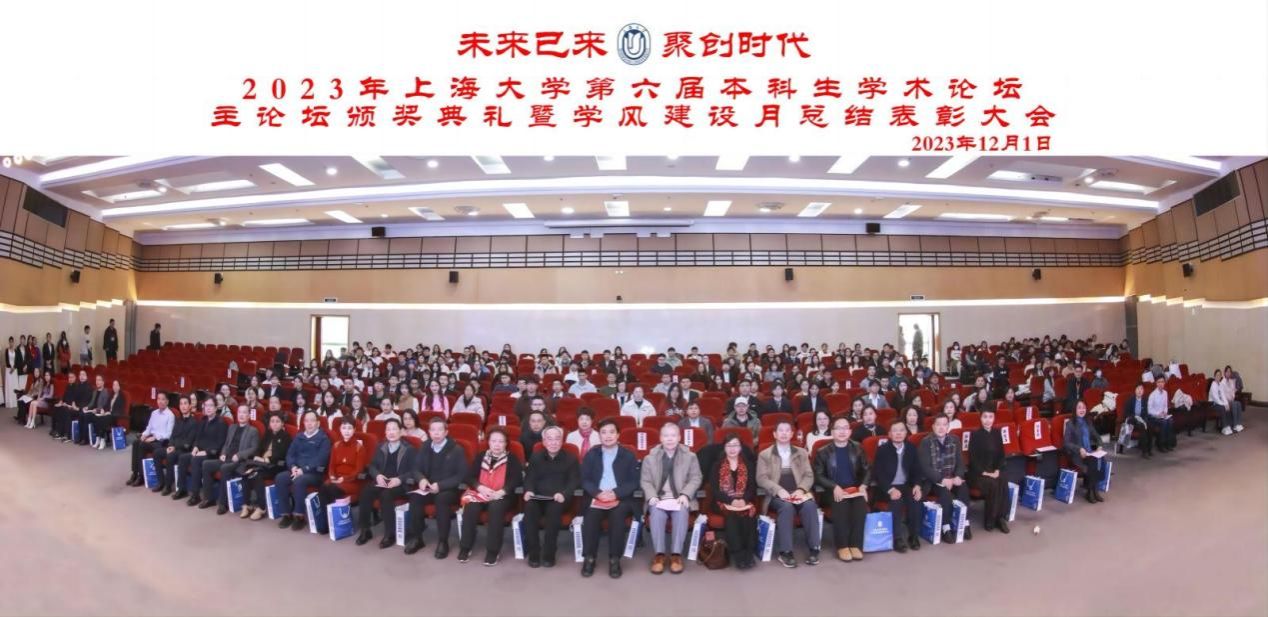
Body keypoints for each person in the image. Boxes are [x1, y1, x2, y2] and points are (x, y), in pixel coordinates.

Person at [579, 418, 639, 579]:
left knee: (617, 516)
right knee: (591, 516)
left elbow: (634, 481)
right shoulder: (592, 454)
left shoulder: (628, 455)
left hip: (620, 498)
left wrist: (616, 493)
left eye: (612, 432)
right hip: (597, 497)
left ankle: (614, 559)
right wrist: (597, 493)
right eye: (603, 432)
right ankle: (589, 557)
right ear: (599, 436)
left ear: (618, 435)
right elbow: (585, 479)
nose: (608, 436)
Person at [639, 423, 703, 575]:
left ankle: (676, 555)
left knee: (681, 514)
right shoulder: (650, 458)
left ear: (679, 438)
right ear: (660, 438)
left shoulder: (690, 457)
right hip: (659, 498)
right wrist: (651, 496)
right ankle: (659, 555)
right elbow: (645, 481)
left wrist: (685, 494)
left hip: (680, 498)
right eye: (666, 436)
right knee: (656, 515)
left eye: (673, 435)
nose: (669, 439)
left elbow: (696, 478)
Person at [756, 420, 822, 567]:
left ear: (792, 434)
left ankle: (814, 548)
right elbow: (761, 478)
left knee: (810, 506)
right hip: (776, 495)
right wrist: (779, 490)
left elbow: (809, 475)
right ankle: (785, 552)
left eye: (787, 430)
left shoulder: (801, 453)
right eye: (781, 430)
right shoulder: (765, 454)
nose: (784, 433)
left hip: (799, 493)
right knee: (787, 507)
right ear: (775, 434)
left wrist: (801, 490)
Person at [404, 417, 469, 559]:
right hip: (429, 487)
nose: (436, 433)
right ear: (429, 432)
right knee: (415, 497)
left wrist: (440, 486)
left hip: (449, 489)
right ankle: (417, 538)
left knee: (441, 499)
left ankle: (443, 541)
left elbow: (462, 475)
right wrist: (421, 479)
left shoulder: (456, 449)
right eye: (433, 430)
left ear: (446, 432)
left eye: (440, 430)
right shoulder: (425, 446)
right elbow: (416, 468)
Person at [457, 427, 522, 566]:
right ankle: (465, 547)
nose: (497, 444)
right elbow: (469, 476)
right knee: (471, 508)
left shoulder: (512, 459)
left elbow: (516, 479)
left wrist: (501, 492)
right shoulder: (481, 456)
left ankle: (493, 551)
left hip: (503, 495)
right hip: (482, 492)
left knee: (495, 508)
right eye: (494, 441)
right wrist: (480, 487)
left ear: (506, 443)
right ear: (489, 442)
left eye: (501, 441)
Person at [812, 415, 870, 562]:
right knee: (841, 504)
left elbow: (867, 469)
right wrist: (834, 486)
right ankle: (842, 546)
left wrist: (863, 486)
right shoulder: (823, 451)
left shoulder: (857, 448)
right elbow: (818, 475)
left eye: (845, 428)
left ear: (850, 431)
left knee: (860, 506)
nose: (842, 431)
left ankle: (855, 545)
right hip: (832, 490)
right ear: (832, 432)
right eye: (838, 428)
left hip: (854, 489)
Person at [355, 418, 420, 548]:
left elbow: (415, 471)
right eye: (388, 430)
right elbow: (372, 466)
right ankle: (365, 530)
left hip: (401, 484)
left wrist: (399, 479)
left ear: (401, 431)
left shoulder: (409, 449)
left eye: (394, 429)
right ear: (385, 432)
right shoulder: (381, 446)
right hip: (383, 481)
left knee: (386, 495)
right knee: (366, 492)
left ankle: (390, 534)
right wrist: (378, 475)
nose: (391, 432)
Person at [522, 425, 580, 568]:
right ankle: (534, 552)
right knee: (529, 508)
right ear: (544, 441)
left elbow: (574, 481)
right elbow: (529, 478)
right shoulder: (536, 457)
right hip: (538, 497)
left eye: (557, 439)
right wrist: (529, 491)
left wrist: (564, 494)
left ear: (562, 441)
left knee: (554, 510)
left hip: (558, 498)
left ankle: (549, 553)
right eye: (549, 439)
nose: (553, 442)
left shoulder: (571, 458)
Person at [918, 415, 973, 544]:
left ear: (948, 426)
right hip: (934, 480)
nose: (941, 427)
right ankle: (945, 527)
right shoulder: (926, 442)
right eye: (938, 424)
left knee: (963, 488)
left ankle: (964, 522)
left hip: (952, 476)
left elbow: (960, 462)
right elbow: (925, 467)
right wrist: (942, 480)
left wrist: (958, 476)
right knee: (945, 494)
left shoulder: (954, 440)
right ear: (933, 427)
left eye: (944, 424)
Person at [274, 411, 333, 530]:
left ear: (318, 423)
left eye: (312, 420)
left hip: (314, 473)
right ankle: (286, 514)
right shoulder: (299, 436)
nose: (309, 423)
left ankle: (299, 516)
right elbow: (290, 455)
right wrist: (293, 467)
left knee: (299, 481)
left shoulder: (323, 439)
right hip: (296, 470)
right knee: (280, 478)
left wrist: (303, 470)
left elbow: (321, 460)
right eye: (306, 421)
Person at [709, 434, 759, 569]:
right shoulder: (717, 465)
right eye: (729, 445)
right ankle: (738, 554)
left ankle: (749, 553)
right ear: (724, 448)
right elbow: (714, 490)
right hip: (721, 501)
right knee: (732, 516)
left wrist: (743, 500)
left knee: (749, 514)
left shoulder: (748, 465)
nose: (732, 449)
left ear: (741, 447)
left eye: (735, 445)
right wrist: (731, 501)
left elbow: (752, 487)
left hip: (744, 501)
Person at [873, 420, 923, 553]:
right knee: (896, 502)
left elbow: (917, 470)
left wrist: (917, 485)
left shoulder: (911, 448)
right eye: (895, 431)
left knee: (915, 500)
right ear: (889, 434)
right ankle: (897, 538)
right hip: (887, 487)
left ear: (906, 433)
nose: (898, 433)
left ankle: (913, 536)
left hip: (905, 485)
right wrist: (890, 490)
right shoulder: (883, 450)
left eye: (901, 430)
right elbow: (878, 474)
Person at [201, 405, 260, 514]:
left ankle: (223, 503)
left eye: (244, 412)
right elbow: (226, 444)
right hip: (227, 458)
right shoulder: (232, 427)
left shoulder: (253, 431)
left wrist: (239, 455)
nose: (241, 415)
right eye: (239, 412)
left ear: (248, 415)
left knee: (225, 468)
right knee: (206, 464)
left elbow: (254, 449)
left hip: (239, 461)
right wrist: (223, 453)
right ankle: (208, 498)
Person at [237, 412, 292, 520]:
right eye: (272, 421)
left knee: (257, 475)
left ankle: (261, 508)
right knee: (246, 473)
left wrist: (266, 459)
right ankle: (247, 505)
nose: (274, 424)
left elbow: (281, 455)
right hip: (262, 463)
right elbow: (260, 448)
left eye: (277, 421)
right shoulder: (268, 434)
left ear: (282, 423)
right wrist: (257, 457)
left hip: (275, 465)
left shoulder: (286, 437)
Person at [171, 397, 224, 501]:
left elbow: (219, 445)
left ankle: (195, 495)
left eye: (211, 406)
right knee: (183, 458)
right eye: (206, 405)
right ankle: (181, 489)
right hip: (200, 451)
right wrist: (195, 447)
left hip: (212, 454)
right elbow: (197, 438)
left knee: (195, 460)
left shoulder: (221, 423)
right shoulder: (203, 421)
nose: (208, 408)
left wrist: (205, 452)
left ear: (216, 408)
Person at [968, 409, 1010, 533]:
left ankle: (1000, 518)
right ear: (980, 418)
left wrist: (997, 470)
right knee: (993, 484)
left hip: (993, 470)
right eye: (985, 417)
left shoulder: (997, 433)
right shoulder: (975, 435)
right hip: (978, 474)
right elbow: (973, 460)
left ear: (994, 418)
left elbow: (1001, 455)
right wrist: (986, 473)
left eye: (990, 417)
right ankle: (990, 520)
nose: (988, 420)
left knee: (1003, 479)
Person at [316, 418, 370, 509]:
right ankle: (325, 517)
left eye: (349, 428)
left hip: (352, 481)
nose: (346, 431)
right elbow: (331, 466)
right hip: (336, 478)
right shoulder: (336, 445)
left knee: (332, 489)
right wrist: (332, 476)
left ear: (354, 430)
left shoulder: (359, 448)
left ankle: (336, 516)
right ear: (340, 429)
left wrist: (343, 479)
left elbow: (359, 470)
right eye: (344, 428)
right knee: (323, 487)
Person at [125, 393, 175, 487]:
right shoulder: (154, 413)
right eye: (158, 399)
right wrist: (144, 435)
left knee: (142, 445)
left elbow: (168, 435)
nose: (160, 401)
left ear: (167, 401)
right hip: (151, 439)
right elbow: (149, 428)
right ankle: (135, 473)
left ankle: (141, 476)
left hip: (162, 442)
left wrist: (155, 437)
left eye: (163, 399)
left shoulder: (170, 415)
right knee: (136, 443)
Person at [1062, 401, 1105, 504]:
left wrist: (1099, 445)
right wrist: (1079, 449)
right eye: (1079, 408)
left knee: (1099, 460)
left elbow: (1097, 436)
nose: (1082, 410)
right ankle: (1091, 492)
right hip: (1077, 454)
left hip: (1089, 453)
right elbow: (1066, 443)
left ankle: (1093, 490)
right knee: (1092, 463)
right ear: (1075, 410)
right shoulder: (1070, 424)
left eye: (1084, 408)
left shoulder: (1088, 422)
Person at [85, 378, 126, 450]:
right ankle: (98, 438)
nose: (115, 387)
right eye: (113, 385)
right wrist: (103, 410)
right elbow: (106, 405)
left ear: (119, 386)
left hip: (115, 417)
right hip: (108, 415)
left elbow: (120, 410)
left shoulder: (122, 396)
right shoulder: (111, 395)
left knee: (103, 419)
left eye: (116, 385)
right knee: (96, 417)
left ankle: (102, 440)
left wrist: (110, 413)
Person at [1119, 384, 1153, 458]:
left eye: (1141, 389)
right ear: (1135, 390)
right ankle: (1144, 452)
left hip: (1141, 420)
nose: (1139, 391)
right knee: (1142, 426)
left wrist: (1144, 420)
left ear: (1143, 391)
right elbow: (1126, 413)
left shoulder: (1145, 400)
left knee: (1150, 425)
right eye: (1138, 389)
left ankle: (1149, 449)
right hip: (1132, 419)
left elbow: (1146, 413)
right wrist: (1135, 417)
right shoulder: (1130, 400)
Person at [1147, 377, 1176, 453]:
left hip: (1163, 415)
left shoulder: (1165, 393)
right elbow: (1149, 410)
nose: (1161, 383)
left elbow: (1166, 405)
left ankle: (1168, 443)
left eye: (1162, 382)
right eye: (1159, 382)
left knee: (1170, 420)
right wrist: (1158, 414)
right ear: (1156, 383)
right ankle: (1160, 444)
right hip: (1154, 417)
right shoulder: (1152, 395)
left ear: (1164, 383)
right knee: (1164, 422)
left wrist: (1165, 412)